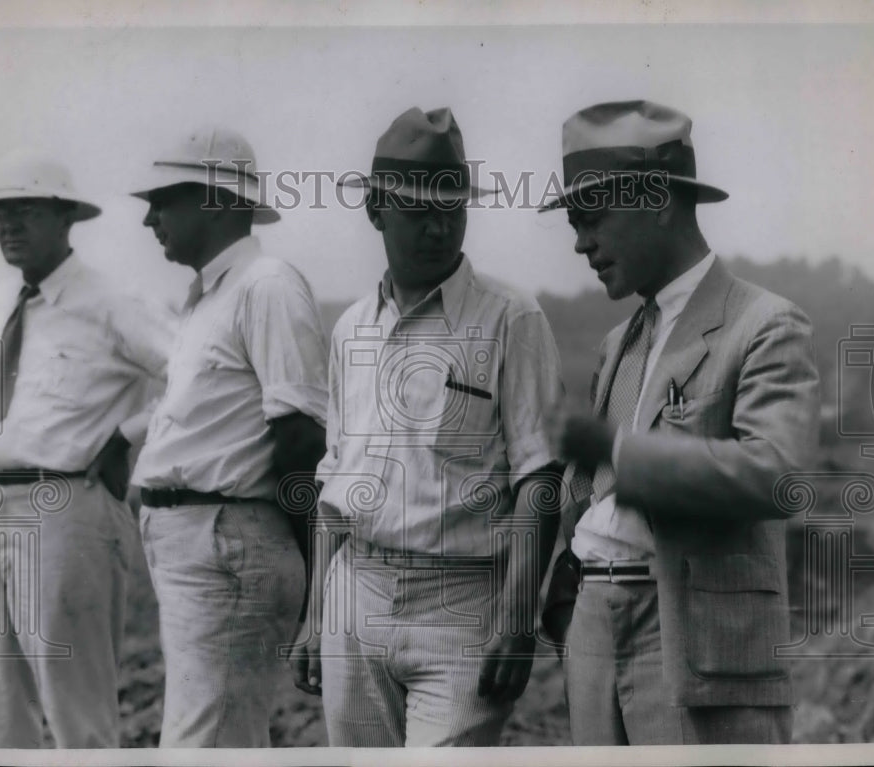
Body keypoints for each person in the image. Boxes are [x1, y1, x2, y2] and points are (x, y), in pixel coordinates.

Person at [540, 100, 820, 744]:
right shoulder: (618, 343)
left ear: (657, 201)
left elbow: (776, 476)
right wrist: (573, 576)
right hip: (593, 632)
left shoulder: (765, 324)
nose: (580, 242)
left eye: (591, 217)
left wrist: (620, 452)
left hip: (695, 641)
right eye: (573, 222)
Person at [291, 107, 564, 746]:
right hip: (354, 596)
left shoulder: (511, 320)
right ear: (376, 209)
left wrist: (518, 619)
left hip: (463, 605)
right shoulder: (351, 329)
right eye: (419, 211)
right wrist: (313, 617)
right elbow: (335, 486)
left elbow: (539, 476)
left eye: (453, 208)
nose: (440, 227)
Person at [0, 150, 173, 748]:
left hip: (64, 506)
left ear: (64, 218)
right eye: (0, 214)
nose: (9, 226)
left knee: (75, 701)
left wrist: (125, 437)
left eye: (25, 211)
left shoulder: (111, 300)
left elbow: (200, 376)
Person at [130, 127, 328, 747]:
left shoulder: (265, 284)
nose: (149, 218)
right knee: (221, 736)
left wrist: (314, 576)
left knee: (203, 744)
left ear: (216, 200)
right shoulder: (207, 299)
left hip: (230, 543)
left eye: (163, 198)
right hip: (199, 544)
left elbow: (300, 439)